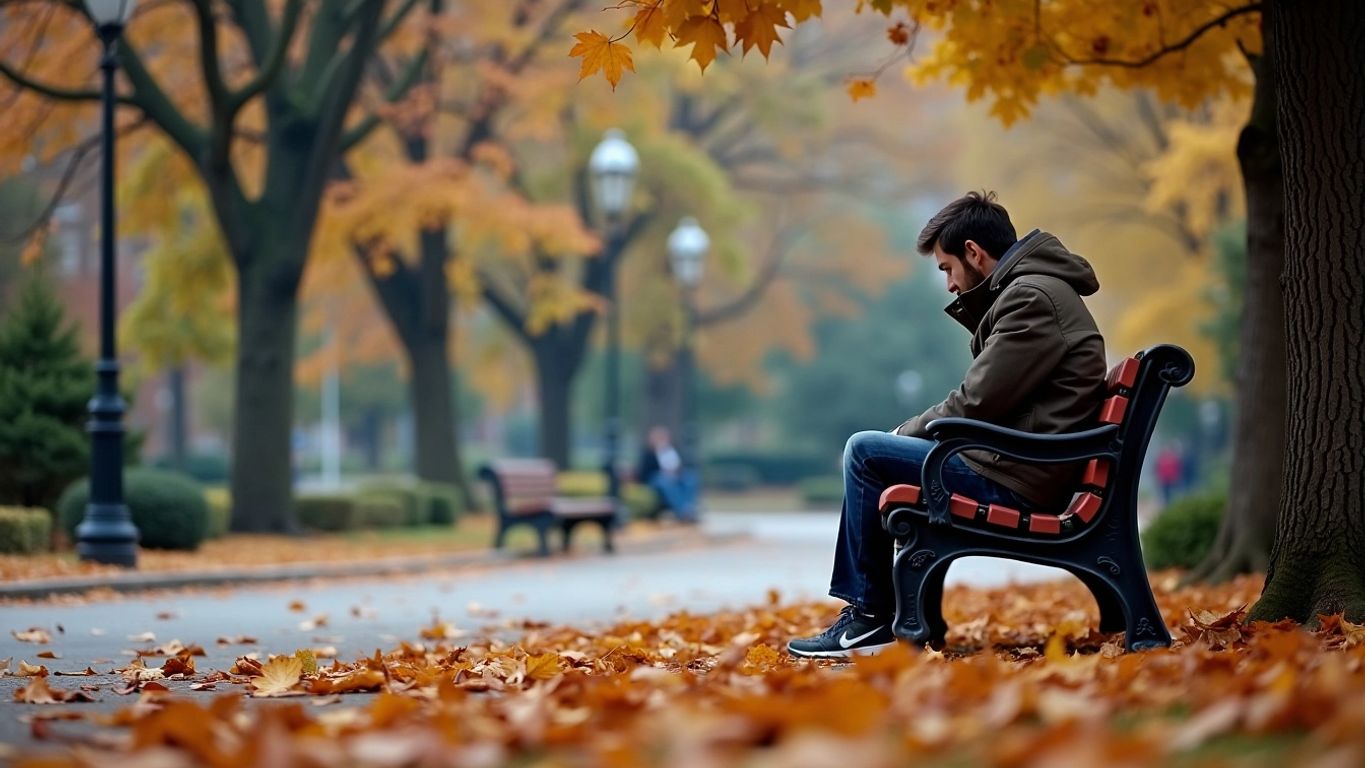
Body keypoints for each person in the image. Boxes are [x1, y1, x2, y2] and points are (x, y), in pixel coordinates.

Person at [787, 191, 1108, 658]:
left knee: (866, 451)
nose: (950, 284)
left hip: (1021, 477)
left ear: (974, 253)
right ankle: (872, 615)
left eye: (947, 268)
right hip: (1026, 466)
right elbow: (987, 401)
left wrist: (904, 433)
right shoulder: (1033, 293)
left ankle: (869, 618)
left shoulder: (1031, 299)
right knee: (874, 451)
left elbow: (975, 402)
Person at [636, 425, 700, 523]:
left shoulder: (672, 451)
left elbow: (679, 466)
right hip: (656, 481)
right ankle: (683, 511)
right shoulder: (648, 454)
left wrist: (676, 472)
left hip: (674, 478)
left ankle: (688, 507)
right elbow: (644, 473)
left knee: (690, 477)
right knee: (665, 482)